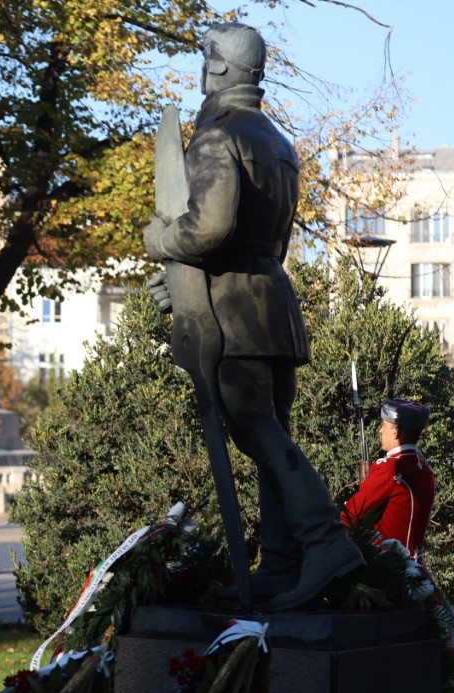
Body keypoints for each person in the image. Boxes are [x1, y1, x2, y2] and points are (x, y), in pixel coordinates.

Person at [142, 22, 364, 610]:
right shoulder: (277, 140)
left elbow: (210, 227)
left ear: (216, 68)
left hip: (235, 312)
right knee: (272, 435)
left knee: (255, 429)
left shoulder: (218, 136)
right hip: (273, 302)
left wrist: (164, 241)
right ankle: (284, 563)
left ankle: (325, 543)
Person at [342, 400, 436, 558]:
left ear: (395, 432)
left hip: (387, 569)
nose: (380, 431)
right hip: (416, 568)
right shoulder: (425, 469)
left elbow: (350, 516)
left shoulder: (388, 468)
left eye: (384, 425)